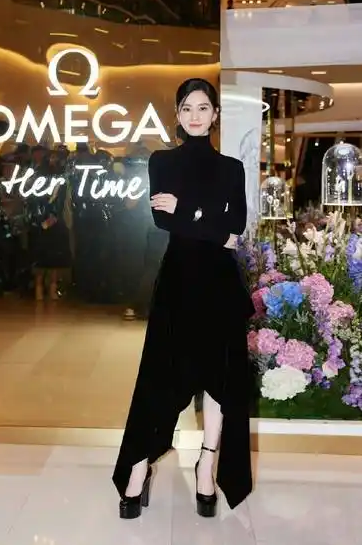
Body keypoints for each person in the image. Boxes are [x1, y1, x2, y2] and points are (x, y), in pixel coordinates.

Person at [112, 78, 254, 519]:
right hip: (178, 281)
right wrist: (212, 223)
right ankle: (140, 465)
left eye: (203, 107)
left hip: (220, 284)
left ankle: (206, 465)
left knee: (218, 378)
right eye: (187, 108)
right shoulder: (162, 161)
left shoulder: (231, 168)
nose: (195, 115)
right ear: (177, 114)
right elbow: (163, 220)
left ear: (215, 114)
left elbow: (237, 226)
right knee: (161, 375)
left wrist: (188, 209)